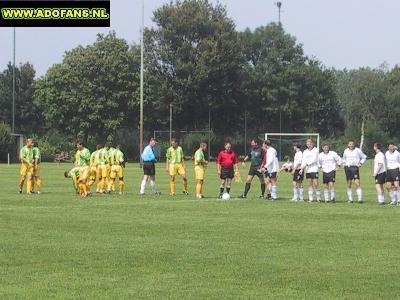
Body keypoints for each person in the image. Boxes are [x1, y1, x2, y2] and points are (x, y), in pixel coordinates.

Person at [299, 138, 321, 202]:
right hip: (308, 170)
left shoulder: (316, 150)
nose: (309, 145)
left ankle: (318, 198)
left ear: (312, 143)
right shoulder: (305, 151)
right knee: (309, 184)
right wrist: (301, 168)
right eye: (308, 144)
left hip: (314, 169)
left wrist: (307, 164)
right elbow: (303, 161)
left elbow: (314, 159)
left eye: (310, 144)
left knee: (316, 183)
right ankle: (311, 199)